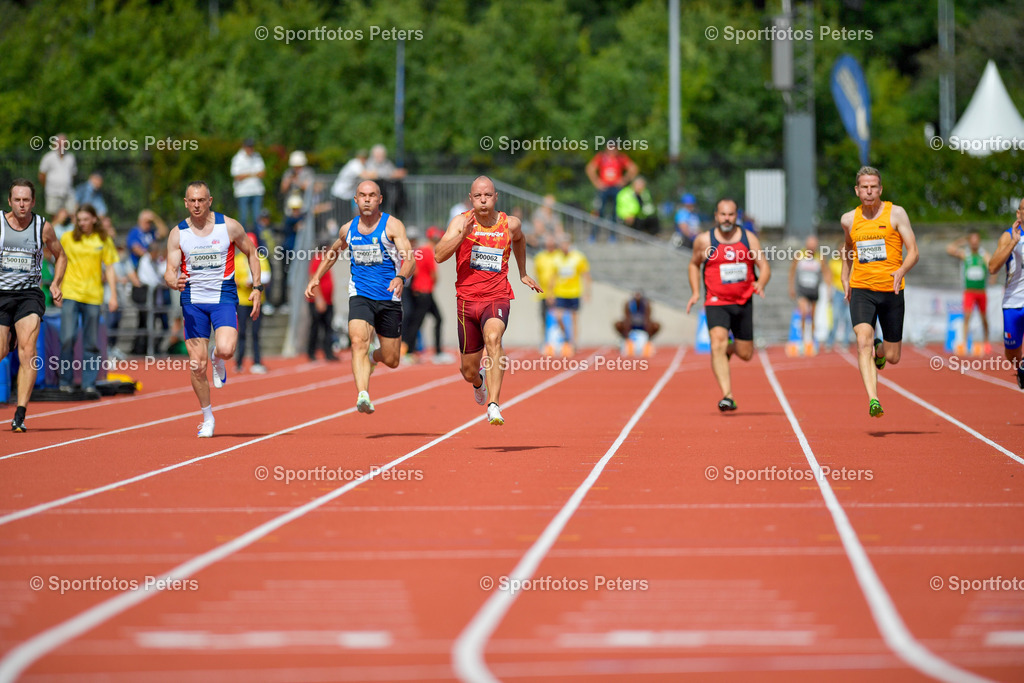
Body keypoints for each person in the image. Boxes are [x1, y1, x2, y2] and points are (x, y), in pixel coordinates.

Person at [435, 176, 542, 425]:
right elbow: (439, 255)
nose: (483, 200)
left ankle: (494, 404)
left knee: (493, 339)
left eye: (488, 195)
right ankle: (479, 381)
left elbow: (520, 240)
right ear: (471, 199)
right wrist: (462, 236)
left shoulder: (510, 224)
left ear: (496, 197)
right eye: (478, 196)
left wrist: (522, 272)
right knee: (468, 371)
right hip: (466, 302)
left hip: (497, 296)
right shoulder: (461, 222)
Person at [164, 181, 263, 438]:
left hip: (223, 297)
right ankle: (207, 416)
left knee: (228, 349)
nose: (197, 205)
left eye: (201, 200)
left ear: (210, 201)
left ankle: (218, 357)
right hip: (192, 300)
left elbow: (252, 252)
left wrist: (257, 287)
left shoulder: (228, 226)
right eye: (192, 200)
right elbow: (169, 271)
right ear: (186, 203)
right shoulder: (178, 233)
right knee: (197, 365)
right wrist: (173, 281)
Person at [305, 180, 413, 414]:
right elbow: (333, 251)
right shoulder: (348, 229)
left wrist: (401, 278)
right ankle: (363, 394)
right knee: (357, 342)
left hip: (389, 297)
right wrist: (316, 277)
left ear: (379, 199)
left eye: (371, 195)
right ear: (355, 200)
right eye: (362, 195)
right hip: (360, 294)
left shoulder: (392, 226)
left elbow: (410, 259)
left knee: (392, 359)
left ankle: (374, 358)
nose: (366, 199)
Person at [841, 166, 919, 418]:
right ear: (857, 190)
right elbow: (847, 249)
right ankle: (874, 399)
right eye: (864, 187)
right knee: (862, 341)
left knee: (893, 356)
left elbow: (914, 251)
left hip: (892, 290)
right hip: (862, 289)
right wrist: (845, 277)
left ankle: (881, 350)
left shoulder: (896, 214)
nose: (869, 191)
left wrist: (901, 270)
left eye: (873, 186)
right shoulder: (848, 219)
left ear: (880, 189)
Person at [686, 198, 770, 412]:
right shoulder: (704, 241)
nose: (727, 219)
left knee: (746, 354)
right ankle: (727, 395)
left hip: (743, 301)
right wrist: (696, 292)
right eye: (723, 214)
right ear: (716, 215)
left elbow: (764, 265)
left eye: (731, 214)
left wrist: (761, 282)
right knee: (717, 343)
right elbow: (694, 265)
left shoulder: (749, 239)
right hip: (716, 301)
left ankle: (729, 350)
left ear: (737, 215)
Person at [0, 179, 66, 432]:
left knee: (28, 352)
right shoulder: (0, 224)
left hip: (29, 294)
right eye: (17, 200)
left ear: (33, 202)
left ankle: (20, 413)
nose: (22, 205)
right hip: (1, 295)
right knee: (2, 349)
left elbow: (61, 255)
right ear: (9, 201)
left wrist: (56, 283)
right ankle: (9, 339)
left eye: (26, 200)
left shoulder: (42, 227)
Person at [58, 203, 119, 396]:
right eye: (79, 220)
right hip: (70, 293)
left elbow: (109, 268)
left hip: (93, 296)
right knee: (68, 338)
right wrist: (56, 286)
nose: (82, 223)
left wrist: (114, 295)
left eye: (85, 219)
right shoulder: (67, 238)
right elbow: (59, 260)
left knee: (91, 342)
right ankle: (65, 381)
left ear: (94, 219)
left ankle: (88, 383)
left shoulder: (103, 239)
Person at [987, 198, 1024, 388]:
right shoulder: (1009, 236)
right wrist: (1013, 244)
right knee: (1011, 353)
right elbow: (992, 267)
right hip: (1013, 303)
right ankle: (1021, 368)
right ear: (1019, 214)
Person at [401, 226, 452, 364]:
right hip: (425, 292)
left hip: (419, 291)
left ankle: (411, 352)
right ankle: (427, 352)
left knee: (420, 321)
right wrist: (429, 283)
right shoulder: (429, 252)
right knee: (425, 321)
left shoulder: (420, 251)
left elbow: (414, 270)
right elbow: (434, 275)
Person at [946, 230, 991, 354]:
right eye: (972, 240)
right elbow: (949, 249)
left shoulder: (983, 254)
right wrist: (961, 240)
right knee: (967, 316)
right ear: (970, 241)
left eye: (977, 240)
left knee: (984, 318)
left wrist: (992, 277)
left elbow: (992, 265)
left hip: (981, 291)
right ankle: (964, 343)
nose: (975, 243)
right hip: (969, 291)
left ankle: (986, 341)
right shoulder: (965, 254)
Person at [235, 231, 271, 373]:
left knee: (256, 333)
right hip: (242, 302)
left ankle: (257, 361)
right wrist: (245, 283)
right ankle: (239, 362)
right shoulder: (237, 260)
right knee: (242, 332)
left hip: (257, 302)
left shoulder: (261, 258)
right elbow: (234, 280)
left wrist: (256, 283)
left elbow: (267, 276)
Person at [549, 234, 592, 356]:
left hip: (574, 292)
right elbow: (552, 277)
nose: (564, 247)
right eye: (562, 244)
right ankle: (567, 336)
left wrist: (587, 292)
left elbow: (586, 275)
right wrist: (550, 293)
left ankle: (574, 343)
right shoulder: (556, 258)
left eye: (566, 244)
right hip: (560, 292)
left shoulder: (578, 257)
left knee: (574, 319)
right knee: (558, 317)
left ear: (570, 244)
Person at [585, 140, 638, 231]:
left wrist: (625, 179)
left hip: (616, 188)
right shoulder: (601, 157)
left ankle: (613, 234)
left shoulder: (621, 158)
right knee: (599, 211)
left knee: (615, 211)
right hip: (604, 188)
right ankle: (594, 233)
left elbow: (633, 168)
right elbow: (590, 168)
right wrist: (597, 182)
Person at [788, 235, 823, 354]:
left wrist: (828, 288)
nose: (812, 249)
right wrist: (791, 287)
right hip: (802, 290)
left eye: (814, 246)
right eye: (810, 246)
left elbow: (826, 271)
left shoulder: (820, 257)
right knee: (803, 313)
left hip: (814, 290)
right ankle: (802, 341)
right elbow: (792, 271)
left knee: (812, 317)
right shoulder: (799, 255)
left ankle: (812, 340)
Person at [306, 239, 338, 362]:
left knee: (328, 327)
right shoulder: (318, 259)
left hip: (328, 301)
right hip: (318, 301)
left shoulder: (326, 261)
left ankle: (328, 352)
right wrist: (319, 299)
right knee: (315, 327)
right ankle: (311, 352)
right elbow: (314, 279)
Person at [230, 138, 266, 234]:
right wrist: (253, 174)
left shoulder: (257, 157)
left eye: (251, 146)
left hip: (257, 191)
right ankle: (243, 241)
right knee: (243, 218)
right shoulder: (237, 158)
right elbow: (237, 176)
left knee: (257, 218)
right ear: (244, 147)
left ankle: (258, 241)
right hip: (243, 192)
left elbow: (262, 173)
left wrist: (246, 174)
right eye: (248, 147)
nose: (250, 149)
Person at [38, 134, 77, 215]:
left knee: (72, 214)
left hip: (68, 191)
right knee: (54, 215)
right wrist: (49, 186)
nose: (62, 146)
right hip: (53, 192)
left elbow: (73, 174)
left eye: (64, 143)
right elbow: (42, 175)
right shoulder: (48, 157)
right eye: (59, 143)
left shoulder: (71, 157)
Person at [533, 234, 560, 348]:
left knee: (560, 318)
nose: (549, 245)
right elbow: (538, 274)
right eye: (548, 243)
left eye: (551, 243)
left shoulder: (559, 256)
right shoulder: (540, 257)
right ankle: (546, 341)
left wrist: (552, 293)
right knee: (544, 319)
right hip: (543, 294)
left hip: (558, 293)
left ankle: (561, 341)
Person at [331, 149, 368, 214]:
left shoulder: (361, 165)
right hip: (340, 194)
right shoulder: (355, 163)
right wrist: (378, 174)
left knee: (347, 217)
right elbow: (364, 175)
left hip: (347, 195)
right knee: (342, 217)